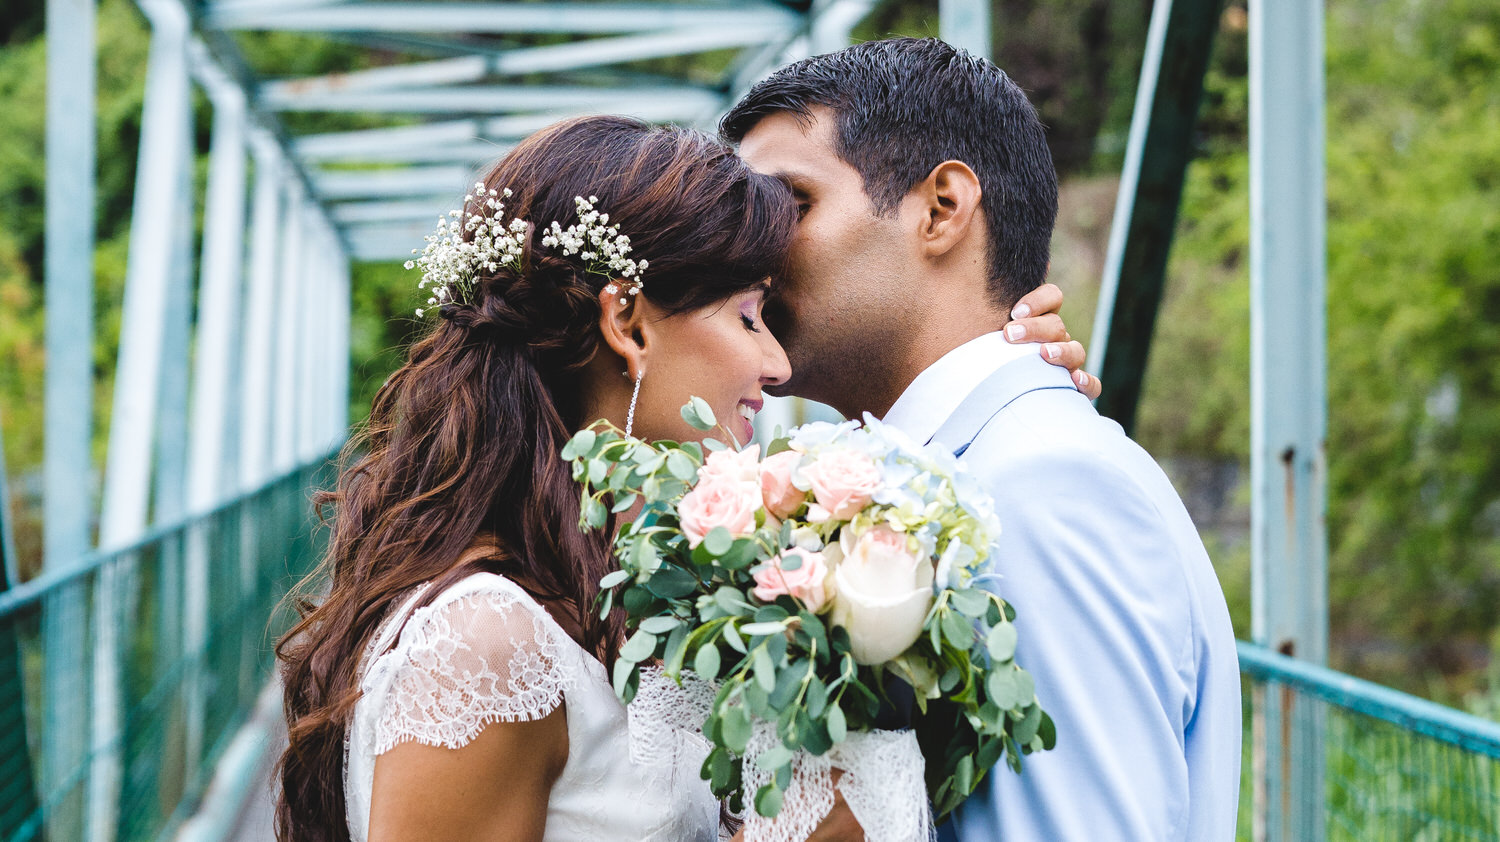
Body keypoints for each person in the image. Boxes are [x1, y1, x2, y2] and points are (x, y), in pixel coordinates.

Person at [273, 114, 1085, 842]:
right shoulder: (488, 641)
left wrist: (996, 370)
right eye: (747, 315)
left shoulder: (635, 593)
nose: (775, 363)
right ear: (627, 323)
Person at [722, 37, 1241, 841]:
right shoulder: (963, 472)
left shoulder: (1043, 486)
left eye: (787, 204)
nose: (745, 254)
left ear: (942, 209)